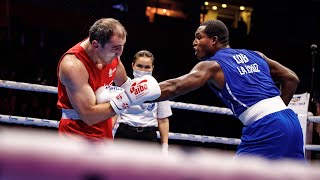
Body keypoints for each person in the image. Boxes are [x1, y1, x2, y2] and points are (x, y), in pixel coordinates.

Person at [154, 19, 304, 160]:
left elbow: (175, 87)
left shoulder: (212, 65)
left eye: (199, 37)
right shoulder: (256, 56)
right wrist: (276, 111)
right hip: (291, 122)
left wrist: (139, 94)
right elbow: (292, 78)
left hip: (267, 127)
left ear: (214, 40)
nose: (194, 43)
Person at [57, 18, 160, 142]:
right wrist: (126, 99)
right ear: (95, 44)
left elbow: (126, 85)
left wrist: (141, 94)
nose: (119, 53)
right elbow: (88, 116)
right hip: (76, 132)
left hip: (104, 130)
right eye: (115, 48)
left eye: (122, 47)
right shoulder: (73, 65)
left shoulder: (112, 53)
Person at [113, 50, 172, 153]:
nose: (143, 70)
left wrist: (165, 147)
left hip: (148, 135)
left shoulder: (160, 89)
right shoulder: (123, 85)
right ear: (133, 66)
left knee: (147, 169)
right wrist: (109, 136)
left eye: (147, 67)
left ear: (152, 68)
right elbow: (113, 114)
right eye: (139, 66)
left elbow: (163, 120)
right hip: (124, 132)